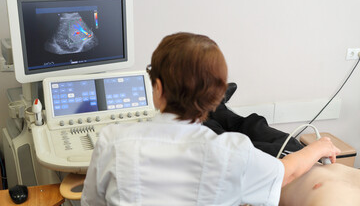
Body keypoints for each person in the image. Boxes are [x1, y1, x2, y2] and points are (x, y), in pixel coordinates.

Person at [81, 32, 340, 206]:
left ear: (158, 88)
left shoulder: (112, 141)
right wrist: (320, 146)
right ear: (216, 95)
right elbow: (286, 171)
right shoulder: (231, 151)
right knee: (252, 125)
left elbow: (91, 202)